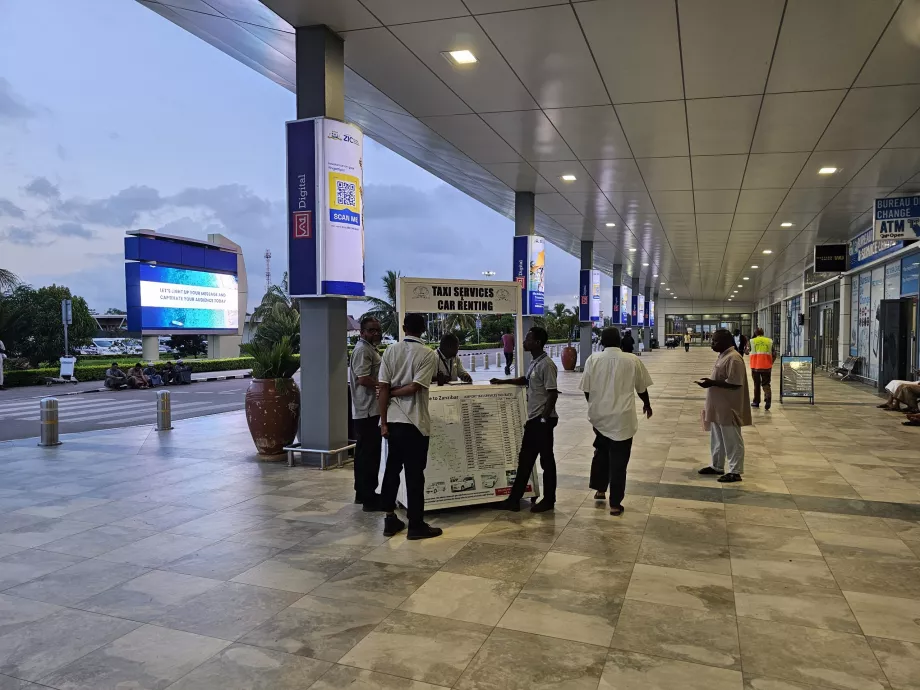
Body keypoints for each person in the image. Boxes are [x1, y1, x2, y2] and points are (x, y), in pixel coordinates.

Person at [378, 313, 442, 540]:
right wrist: (396, 391)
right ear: (423, 329)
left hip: (393, 422)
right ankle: (415, 524)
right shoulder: (427, 354)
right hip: (415, 424)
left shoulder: (390, 351)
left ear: (404, 327)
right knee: (415, 475)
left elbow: (382, 388)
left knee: (392, 470)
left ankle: (389, 519)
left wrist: (383, 423)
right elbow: (416, 386)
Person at [581, 328, 653, 516]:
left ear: (602, 342)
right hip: (623, 418)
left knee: (601, 453)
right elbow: (641, 387)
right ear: (620, 341)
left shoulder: (592, 359)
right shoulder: (632, 360)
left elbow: (586, 389)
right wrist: (647, 404)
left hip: (600, 417)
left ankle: (600, 489)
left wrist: (594, 405)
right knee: (619, 461)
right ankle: (615, 504)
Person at [490, 326, 558, 513]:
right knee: (526, 459)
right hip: (534, 420)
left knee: (546, 461)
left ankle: (549, 500)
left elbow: (552, 394)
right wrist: (502, 382)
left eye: (527, 339)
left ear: (537, 343)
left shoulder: (547, 364)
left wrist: (544, 419)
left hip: (542, 421)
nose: (524, 341)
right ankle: (514, 499)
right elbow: (525, 380)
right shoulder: (535, 362)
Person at [697, 328, 752, 483]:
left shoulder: (734, 358)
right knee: (717, 439)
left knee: (732, 440)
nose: (712, 344)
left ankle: (735, 471)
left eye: (715, 341)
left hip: (729, 408)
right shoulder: (723, 356)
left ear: (726, 342)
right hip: (717, 407)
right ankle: (717, 466)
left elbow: (735, 383)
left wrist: (712, 383)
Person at [350, 316, 384, 511]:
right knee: (369, 456)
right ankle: (369, 499)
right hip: (368, 411)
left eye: (377, 330)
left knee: (364, 455)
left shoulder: (368, 348)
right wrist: (384, 386)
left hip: (368, 410)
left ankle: (362, 494)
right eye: (371, 330)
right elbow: (363, 379)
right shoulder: (363, 350)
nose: (376, 333)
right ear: (362, 332)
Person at [749, 327, 773, 410]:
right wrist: (770, 362)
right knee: (766, 384)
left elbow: (746, 351)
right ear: (763, 333)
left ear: (755, 333)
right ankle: (768, 397)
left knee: (757, 384)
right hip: (766, 367)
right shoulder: (769, 341)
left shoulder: (752, 341)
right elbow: (774, 354)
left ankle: (756, 402)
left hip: (755, 367)